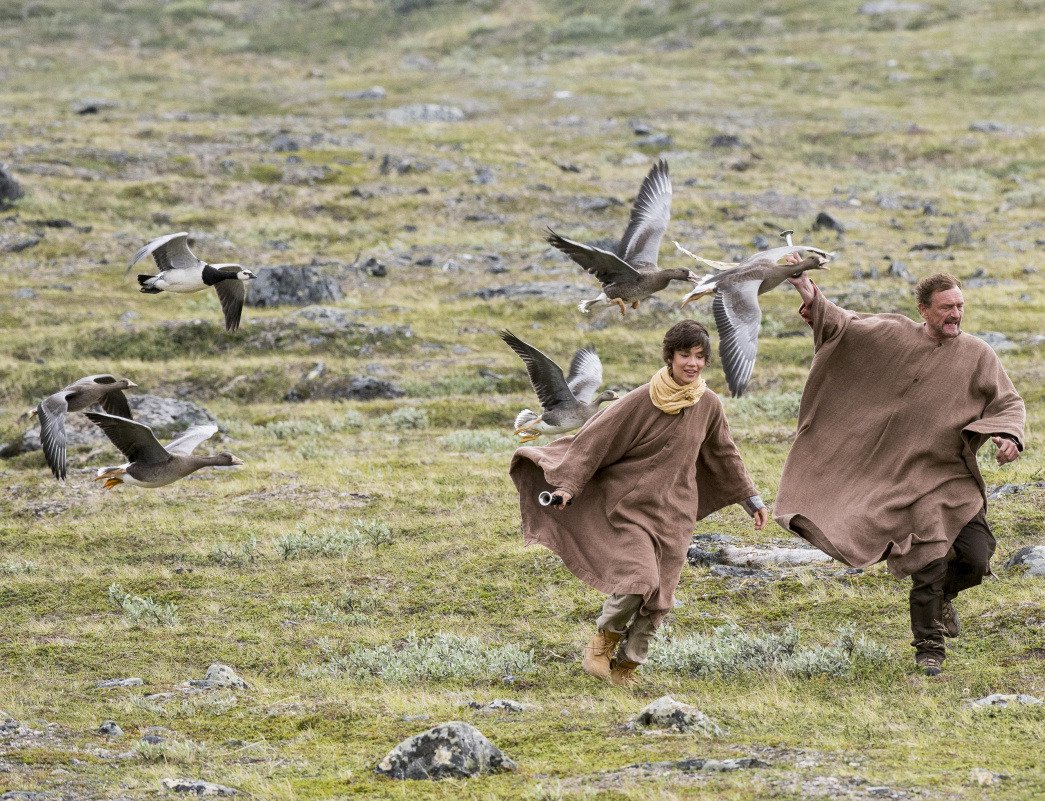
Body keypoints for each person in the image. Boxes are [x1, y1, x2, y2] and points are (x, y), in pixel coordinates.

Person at [775, 268, 1025, 676]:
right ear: (923, 310)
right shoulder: (892, 334)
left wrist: (1008, 435)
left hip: (951, 478)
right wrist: (808, 291)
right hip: (902, 480)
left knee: (977, 558)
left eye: (960, 306)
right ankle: (929, 649)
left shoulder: (978, 354)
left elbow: (1008, 402)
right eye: (946, 307)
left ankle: (943, 598)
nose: (955, 314)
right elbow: (844, 324)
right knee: (930, 562)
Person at [510, 320, 768, 687]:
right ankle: (602, 643)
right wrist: (567, 486)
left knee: (660, 597)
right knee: (638, 580)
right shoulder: (640, 399)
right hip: (630, 507)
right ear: (670, 357)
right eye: (685, 355)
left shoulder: (709, 404)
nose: (692, 363)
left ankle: (627, 668)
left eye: (699, 357)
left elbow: (724, 454)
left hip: (676, 513)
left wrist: (751, 499)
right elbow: (595, 439)